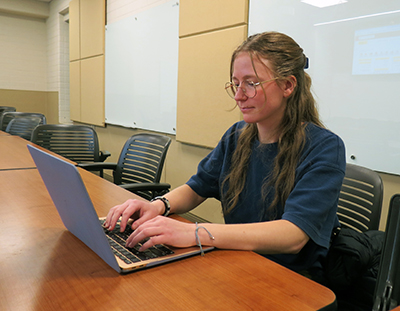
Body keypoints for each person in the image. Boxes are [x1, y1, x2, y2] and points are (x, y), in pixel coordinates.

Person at [104, 31, 346, 281]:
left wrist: (195, 233)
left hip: (290, 278)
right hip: (236, 260)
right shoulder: (237, 136)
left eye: (252, 84)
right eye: (236, 84)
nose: (240, 95)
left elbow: (293, 235)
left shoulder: (324, 147)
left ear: (288, 85)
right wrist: (157, 205)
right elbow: (197, 188)